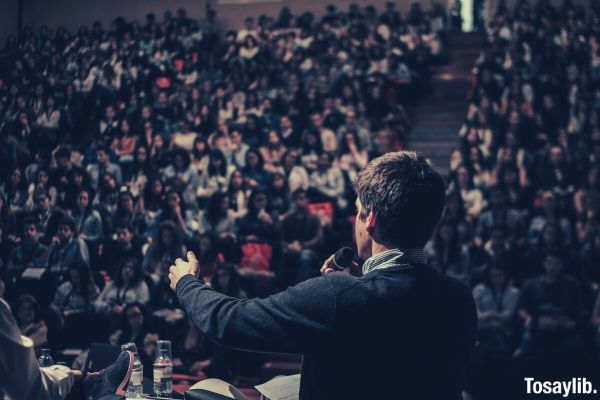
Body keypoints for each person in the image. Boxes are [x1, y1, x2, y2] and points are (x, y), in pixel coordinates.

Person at [168, 152, 477, 400]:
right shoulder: (458, 297)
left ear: (371, 219)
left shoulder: (339, 295)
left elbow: (228, 322)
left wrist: (186, 282)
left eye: (357, 210)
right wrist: (360, 281)